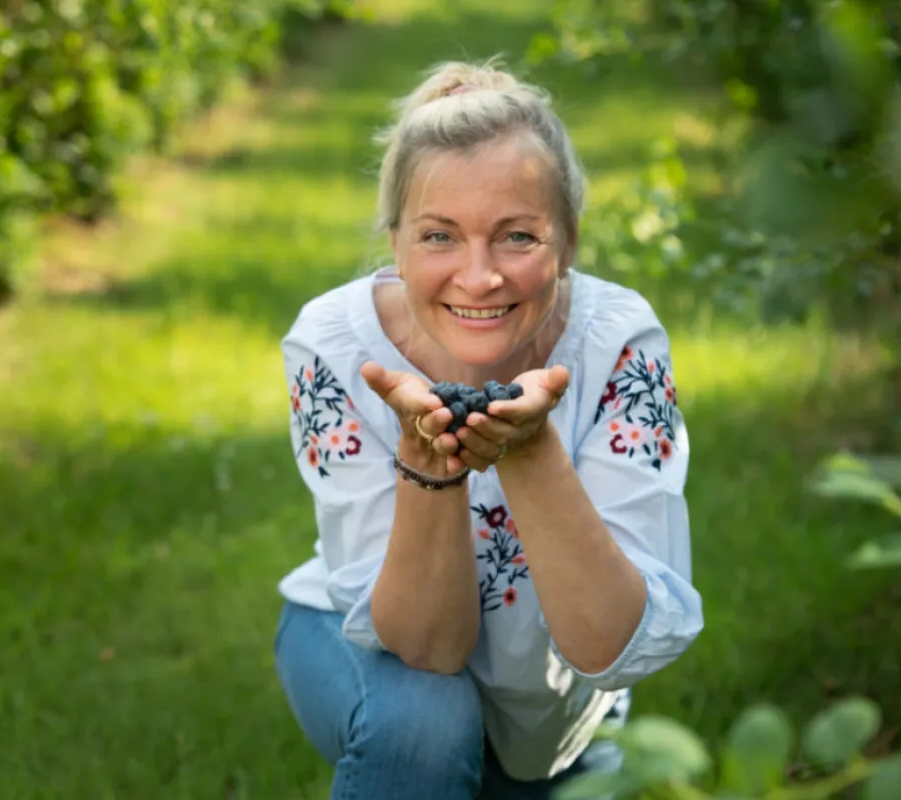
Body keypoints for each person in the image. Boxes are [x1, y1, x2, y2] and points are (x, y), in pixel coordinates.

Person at [271, 57, 703, 799]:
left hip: (564, 696)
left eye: (517, 238)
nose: (479, 278)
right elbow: (428, 648)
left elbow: (611, 642)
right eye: (440, 237)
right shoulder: (335, 347)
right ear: (396, 242)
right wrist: (428, 455)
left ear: (566, 242)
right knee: (425, 723)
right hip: (373, 641)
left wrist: (529, 450)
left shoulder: (618, 343)